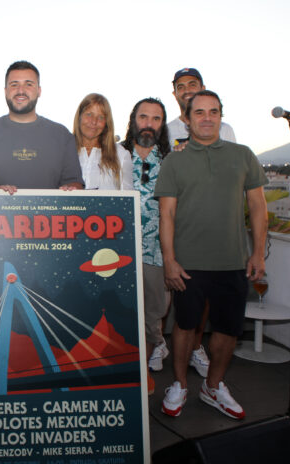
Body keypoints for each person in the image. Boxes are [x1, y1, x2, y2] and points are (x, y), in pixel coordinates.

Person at [155, 90, 267, 420]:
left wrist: (258, 253)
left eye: (213, 111)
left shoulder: (243, 155)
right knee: (185, 327)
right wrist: (169, 260)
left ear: (220, 116)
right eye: (199, 112)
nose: (207, 117)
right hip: (187, 264)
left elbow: (258, 206)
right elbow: (167, 214)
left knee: (228, 330)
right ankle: (179, 384)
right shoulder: (174, 161)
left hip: (233, 262)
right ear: (187, 120)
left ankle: (213, 386)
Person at [165, 67, 238, 377]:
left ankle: (196, 348)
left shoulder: (225, 129)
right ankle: (162, 347)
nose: (187, 90)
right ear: (175, 94)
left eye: (192, 84)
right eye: (181, 86)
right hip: (179, 225)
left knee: (205, 298)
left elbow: (230, 172)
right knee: (175, 297)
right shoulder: (166, 128)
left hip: (215, 230)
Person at [119, 98, 172, 395]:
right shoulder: (116, 155)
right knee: (117, 314)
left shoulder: (172, 161)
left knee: (152, 317)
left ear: (162, 124)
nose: (149, 124)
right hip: (118, 251)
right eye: (143, 117)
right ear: (133, 120)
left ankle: (142, 374)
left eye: (156, 118)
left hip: (155, 252)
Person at [0, 60, 83, 192]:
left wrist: (71, 190)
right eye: (14, 84)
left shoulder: (62, 136)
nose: (21, 91)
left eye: (28, 84)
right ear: (5, 91)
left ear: (39, 91)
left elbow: (75, 184)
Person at [73, 93, 132, 190]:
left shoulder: (121, 155)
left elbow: (128, 197)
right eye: (89, 114)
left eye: (101, 117)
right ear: (79, 117)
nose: (94, 121)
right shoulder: (62, 151)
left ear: (106, 123)